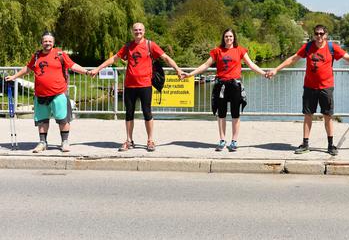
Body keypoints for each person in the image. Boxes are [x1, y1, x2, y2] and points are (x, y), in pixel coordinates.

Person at [266, 24, 349, 155]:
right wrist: (276, 69)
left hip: (326, 87)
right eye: (316, 34)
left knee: (328, 115)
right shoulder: (308, 47)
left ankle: (330, 145)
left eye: (321, 33)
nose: (319, 36)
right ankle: (305, 144)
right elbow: (293, 59)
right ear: (313, 35)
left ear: (326, 35)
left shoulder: (331, 47)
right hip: (309, 87)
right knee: (308, 115)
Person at [90, 22, 184, 152]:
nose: (138, 32)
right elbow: (114, 59)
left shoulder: (150, 45)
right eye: (135, 30)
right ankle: (129, 140)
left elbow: (166, 58)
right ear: (132, 32)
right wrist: (97, 69)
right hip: (129, 85)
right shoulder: (128, 46)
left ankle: (150, 140)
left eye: (140, 30)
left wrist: (178, 69)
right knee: (129, 113)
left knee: (147, 113)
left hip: (145, 85)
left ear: (144, 31)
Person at [181, 28, 267, 151]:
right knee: (221, 114)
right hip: (221, 86)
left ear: (234, 38)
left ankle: (234, 141)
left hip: (235, 86)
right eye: (226, 36)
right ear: (223, 38)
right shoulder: (217, 51)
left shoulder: (240, 50)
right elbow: (205, 65)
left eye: (231, 36)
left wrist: (264, 73)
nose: (228, 38)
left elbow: (251, 65)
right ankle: (222, 140)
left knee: (235, 114)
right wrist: (190, 74)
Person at [4, 31, 88, 153]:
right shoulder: (37, 56)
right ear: (42, 42)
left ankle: (64, 142)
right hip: (41, 95)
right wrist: (14, 76)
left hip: (58, 93)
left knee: (63, 119)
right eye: (45, 41)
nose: (47, 43)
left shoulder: (60, 54)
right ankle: (42, 143)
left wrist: (87, 72)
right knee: (42, 120)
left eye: (49, 41)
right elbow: (28, 68)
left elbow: (73, 65)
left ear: (53, 43)